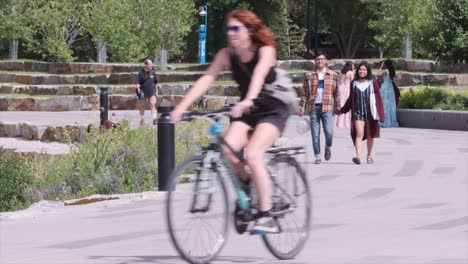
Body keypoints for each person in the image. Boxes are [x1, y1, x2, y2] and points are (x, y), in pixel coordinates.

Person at [171, 10, 296, 234]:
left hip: (273, 107)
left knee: (252, 154)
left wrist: (248, 99)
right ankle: (249, 183)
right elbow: (207, 79)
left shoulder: (266, 51)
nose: (231, 33)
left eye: (235, 28)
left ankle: (266, 215)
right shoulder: (226, 54)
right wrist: (181, 107)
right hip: (247, 109)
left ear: (249, 30)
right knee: (226, 148)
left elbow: (258, 75)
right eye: (228, 29)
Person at [298, 51, 340, 164]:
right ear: (315, 61)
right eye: (318, 59)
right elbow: (304, 93)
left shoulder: (333, 75)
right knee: (315, 134)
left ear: (326, 60)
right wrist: (301, 107)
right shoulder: (309, 75)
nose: (320, 61)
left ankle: (328, 146)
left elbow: (337, 93)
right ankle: (317, 156)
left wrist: (338, 107)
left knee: (329, 132)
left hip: (327, 107)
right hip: (313, 108)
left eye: (322, 59)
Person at [339, 61, 385, 165]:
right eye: (360, 69)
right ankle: (358, 157)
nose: (362, 71)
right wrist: (342, 110)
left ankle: (369, 156)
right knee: (359, 134)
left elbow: (378, 99)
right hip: (358, 113)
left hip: (370, 113)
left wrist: (381, 115)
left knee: (370, 135)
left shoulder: (372, 83)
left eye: (364, 69)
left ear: (367, 71)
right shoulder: (354, 83)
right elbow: (351, 99)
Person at [135, 58, 160, 125]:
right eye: (150, 64)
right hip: (143, 93)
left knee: (152, 104)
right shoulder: (140, 73)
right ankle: (142, 120)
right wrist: (138, 89)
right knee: (142, 106)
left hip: (152, 92)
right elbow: (137, 83)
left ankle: (154, 119)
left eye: (151, 64)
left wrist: (157, 92)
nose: (151, 66)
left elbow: (156, 83)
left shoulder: (153, 72)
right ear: (146, 65)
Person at [376, 59, 399, 127]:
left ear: (385, 64)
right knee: (391, 104)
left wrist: (381, 66)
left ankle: (384, 121)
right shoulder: (392, 71)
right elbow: (395, 79)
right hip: (390, 88)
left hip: (385, 87)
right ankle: (391, 121)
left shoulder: (385, 71)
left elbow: (377, 74)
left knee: (384, 104)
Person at [334, 61, 354, 129]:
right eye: (353, 65)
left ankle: (339, 123)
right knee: (346, 104)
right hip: (347, 89)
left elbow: (338, 82)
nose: (354, 67)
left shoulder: (341, 73)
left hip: (340, 88)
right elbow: (352, 83)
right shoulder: (351, 73)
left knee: (341, 104)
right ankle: (345, 122)